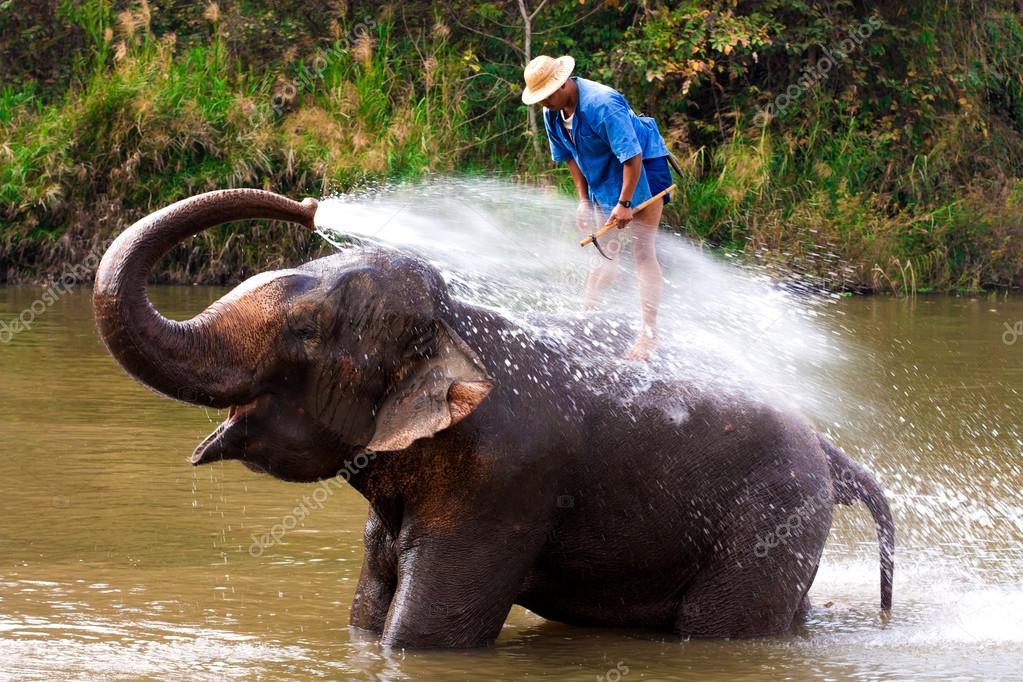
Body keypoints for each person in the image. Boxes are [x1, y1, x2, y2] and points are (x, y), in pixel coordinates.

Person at [521, 54, 673, 361]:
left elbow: (632, 157)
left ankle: (649, 335)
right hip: (603, 176)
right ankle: (586, 317)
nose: (544, 103)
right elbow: (569, 158)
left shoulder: (603, 104)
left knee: (643, 252)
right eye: (539, 99)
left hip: (642, 168)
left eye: (546, 96)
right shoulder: (552, 113)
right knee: (604, 251)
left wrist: (626, 203)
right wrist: (584, 202)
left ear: (563, 83)